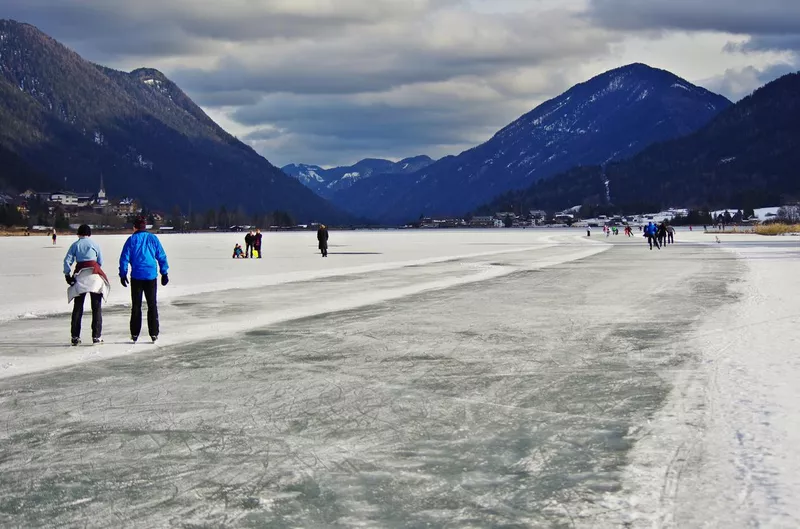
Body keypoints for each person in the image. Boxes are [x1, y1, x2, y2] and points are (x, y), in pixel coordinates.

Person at [119, 216, 169, 343]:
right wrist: (164, 272)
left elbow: (124, 258)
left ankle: (135, 333)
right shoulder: (153, 238)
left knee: (136, 306)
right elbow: (161, 256)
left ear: (135, 227)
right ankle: (154, 333)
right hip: (151, 276)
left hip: (137, 276)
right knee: (152, 305)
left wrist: (123, 274)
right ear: (145, 227)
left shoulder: (131, 240)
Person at [64, 224, 109, 346]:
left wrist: (67, 275)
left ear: (78, 234)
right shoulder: (95, 244)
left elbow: (67, 261)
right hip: (94, 277)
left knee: (78, 308)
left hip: (80, 277)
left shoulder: (75, 245)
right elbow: (100, 261)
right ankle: (96, 336)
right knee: (96, 308)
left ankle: (75, 336)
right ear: (89, 234)